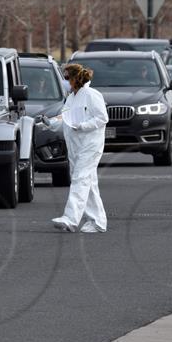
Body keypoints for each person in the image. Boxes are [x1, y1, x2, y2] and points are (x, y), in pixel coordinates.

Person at [50, 64, 109, 233]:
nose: (65, 81)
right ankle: (97, 222)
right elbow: (65, 118)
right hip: (75, 147)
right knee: (88, 183)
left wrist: (82, 126)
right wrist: (50, 123)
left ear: (76, 78)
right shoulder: (71, 98)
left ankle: (70, 218)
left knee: (80, 179)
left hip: (90, 145)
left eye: (67, 78)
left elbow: (102, 118)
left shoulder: (91, 95)